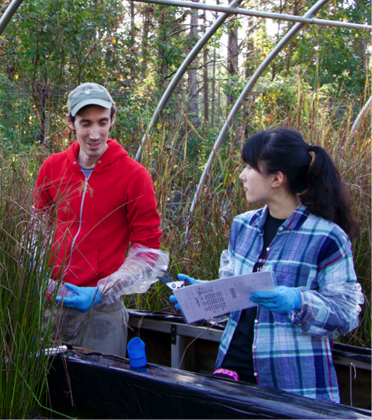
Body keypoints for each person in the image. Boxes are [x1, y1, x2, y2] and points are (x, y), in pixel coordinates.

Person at [170, 128, 363, 402]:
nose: (242, 175)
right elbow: (237, 303)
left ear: (276, 178)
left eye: (250, 167)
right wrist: (206, 297)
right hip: (231, 377)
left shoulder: (327, 238)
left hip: (292, 386)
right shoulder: (243, 227)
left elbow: (346, 314)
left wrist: (298, 301)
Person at [33, 82, 168, 357]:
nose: (95, 134)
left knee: (98, 393)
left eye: (102, 122)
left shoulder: (134, 175)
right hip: (50, 306)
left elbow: (148, 251)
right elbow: (36, 228)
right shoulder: (52, 167)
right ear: (71, 122)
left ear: (112, 120)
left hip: (102, 312)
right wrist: (37, 276)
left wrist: (102, 290)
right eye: (85, 123)